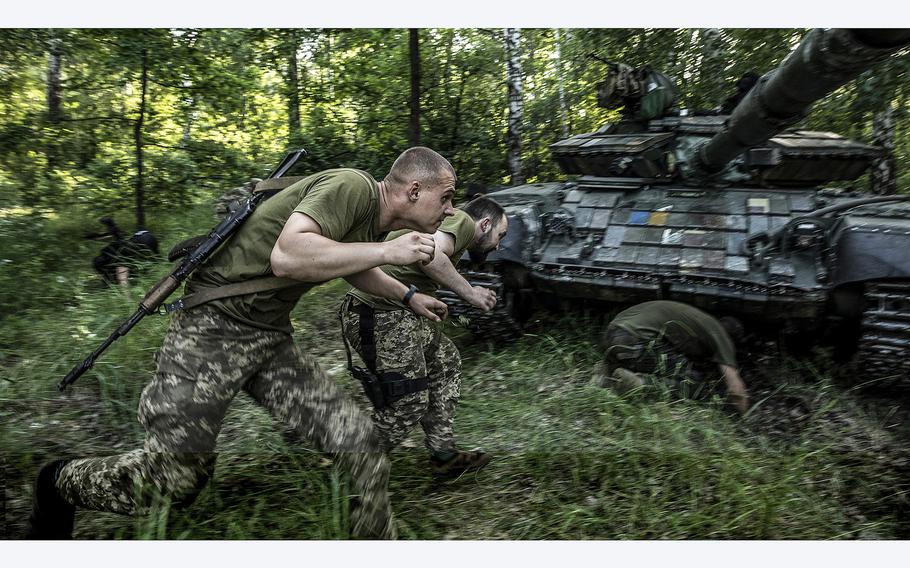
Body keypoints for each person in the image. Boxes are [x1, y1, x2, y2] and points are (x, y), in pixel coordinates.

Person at [26, 147, 458, 540]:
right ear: (414, 191)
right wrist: (388, 253)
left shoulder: (370, 216)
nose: (451, 209)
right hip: (211, 331)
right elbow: (288, 256)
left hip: (269, 339)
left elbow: (345, 262)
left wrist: (407, 296)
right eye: (446, 197)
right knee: (173, 481)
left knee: (360, 446)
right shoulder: (352, 185)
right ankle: (59, 483)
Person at [338, 195, 508, 478]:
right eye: (500, 235)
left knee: (446, 362)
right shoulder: (463, 222)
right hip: (377, 312)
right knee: (409, 401)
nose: (499, 245)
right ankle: (350, 467)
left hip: (398, 312)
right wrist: (472, 293)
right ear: (486, 224)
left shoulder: (449, 227)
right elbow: (429, 257)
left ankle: (444, 455)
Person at [596, 300, 749, 416]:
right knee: (692, 381)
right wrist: (744, 417)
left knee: (662, 359)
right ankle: (640, 384)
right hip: (636, 340)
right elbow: (736, 390)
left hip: (611, 334)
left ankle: (606, 375)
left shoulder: (698, 319)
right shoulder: (721, 335)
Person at [89, 217, 160, 286]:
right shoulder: (121, 247)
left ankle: (110, 281)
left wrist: (124, 289)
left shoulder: (120, 254)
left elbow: (123, 277)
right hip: (146, 238)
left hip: (141, 242)